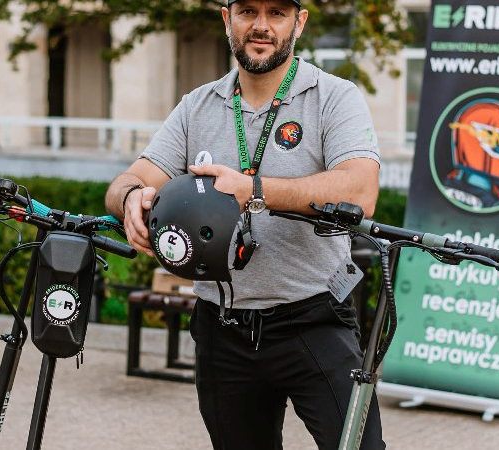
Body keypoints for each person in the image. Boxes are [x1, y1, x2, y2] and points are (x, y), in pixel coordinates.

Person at [105, 0, 384, 448]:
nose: (261, 26)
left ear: (300, 21)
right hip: (221, 327)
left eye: (277, 12)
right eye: (248, 11)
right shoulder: (197, 105)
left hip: (313, 317)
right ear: (226, 17)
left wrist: (254, 188)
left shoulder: (335, 96)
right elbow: (128, 179)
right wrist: (132, 199)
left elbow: (360, 191)